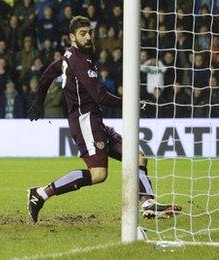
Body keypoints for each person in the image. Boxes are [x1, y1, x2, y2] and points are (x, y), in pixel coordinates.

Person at [26, 16, 181, 223]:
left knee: (138, 157)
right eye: (83, 33)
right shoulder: (78, 60)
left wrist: (39, 101)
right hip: (85, 121)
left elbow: (47, 74)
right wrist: (129, 103)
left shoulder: (71, 57)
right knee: (98, 174)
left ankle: (148, 204)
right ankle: (41, 193)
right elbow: (99, 95)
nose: (88, 36)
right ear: (72, 37)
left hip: (96, 121)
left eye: (89, 32)